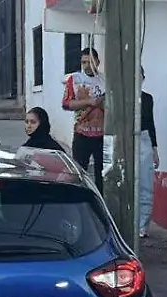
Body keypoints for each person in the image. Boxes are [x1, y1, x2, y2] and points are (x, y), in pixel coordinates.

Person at [62, 47, 106, 192]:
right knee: (79, 173)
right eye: (84, 62)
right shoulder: (75, 79)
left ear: (98, 62)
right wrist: (89, 102)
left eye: (90, 62)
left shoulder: (105, 80)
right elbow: (66, 104)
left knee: (102, 174)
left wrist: (101, 104)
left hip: (102, 135)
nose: (87, 66)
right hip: (82, 133)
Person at [138, 65, 159, 237]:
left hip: (143, 138)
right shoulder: (119, 97)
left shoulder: (147, 99)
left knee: (145, 184)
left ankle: (142, 226)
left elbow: (150, 124)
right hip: (123, 138)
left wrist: (154, 149)